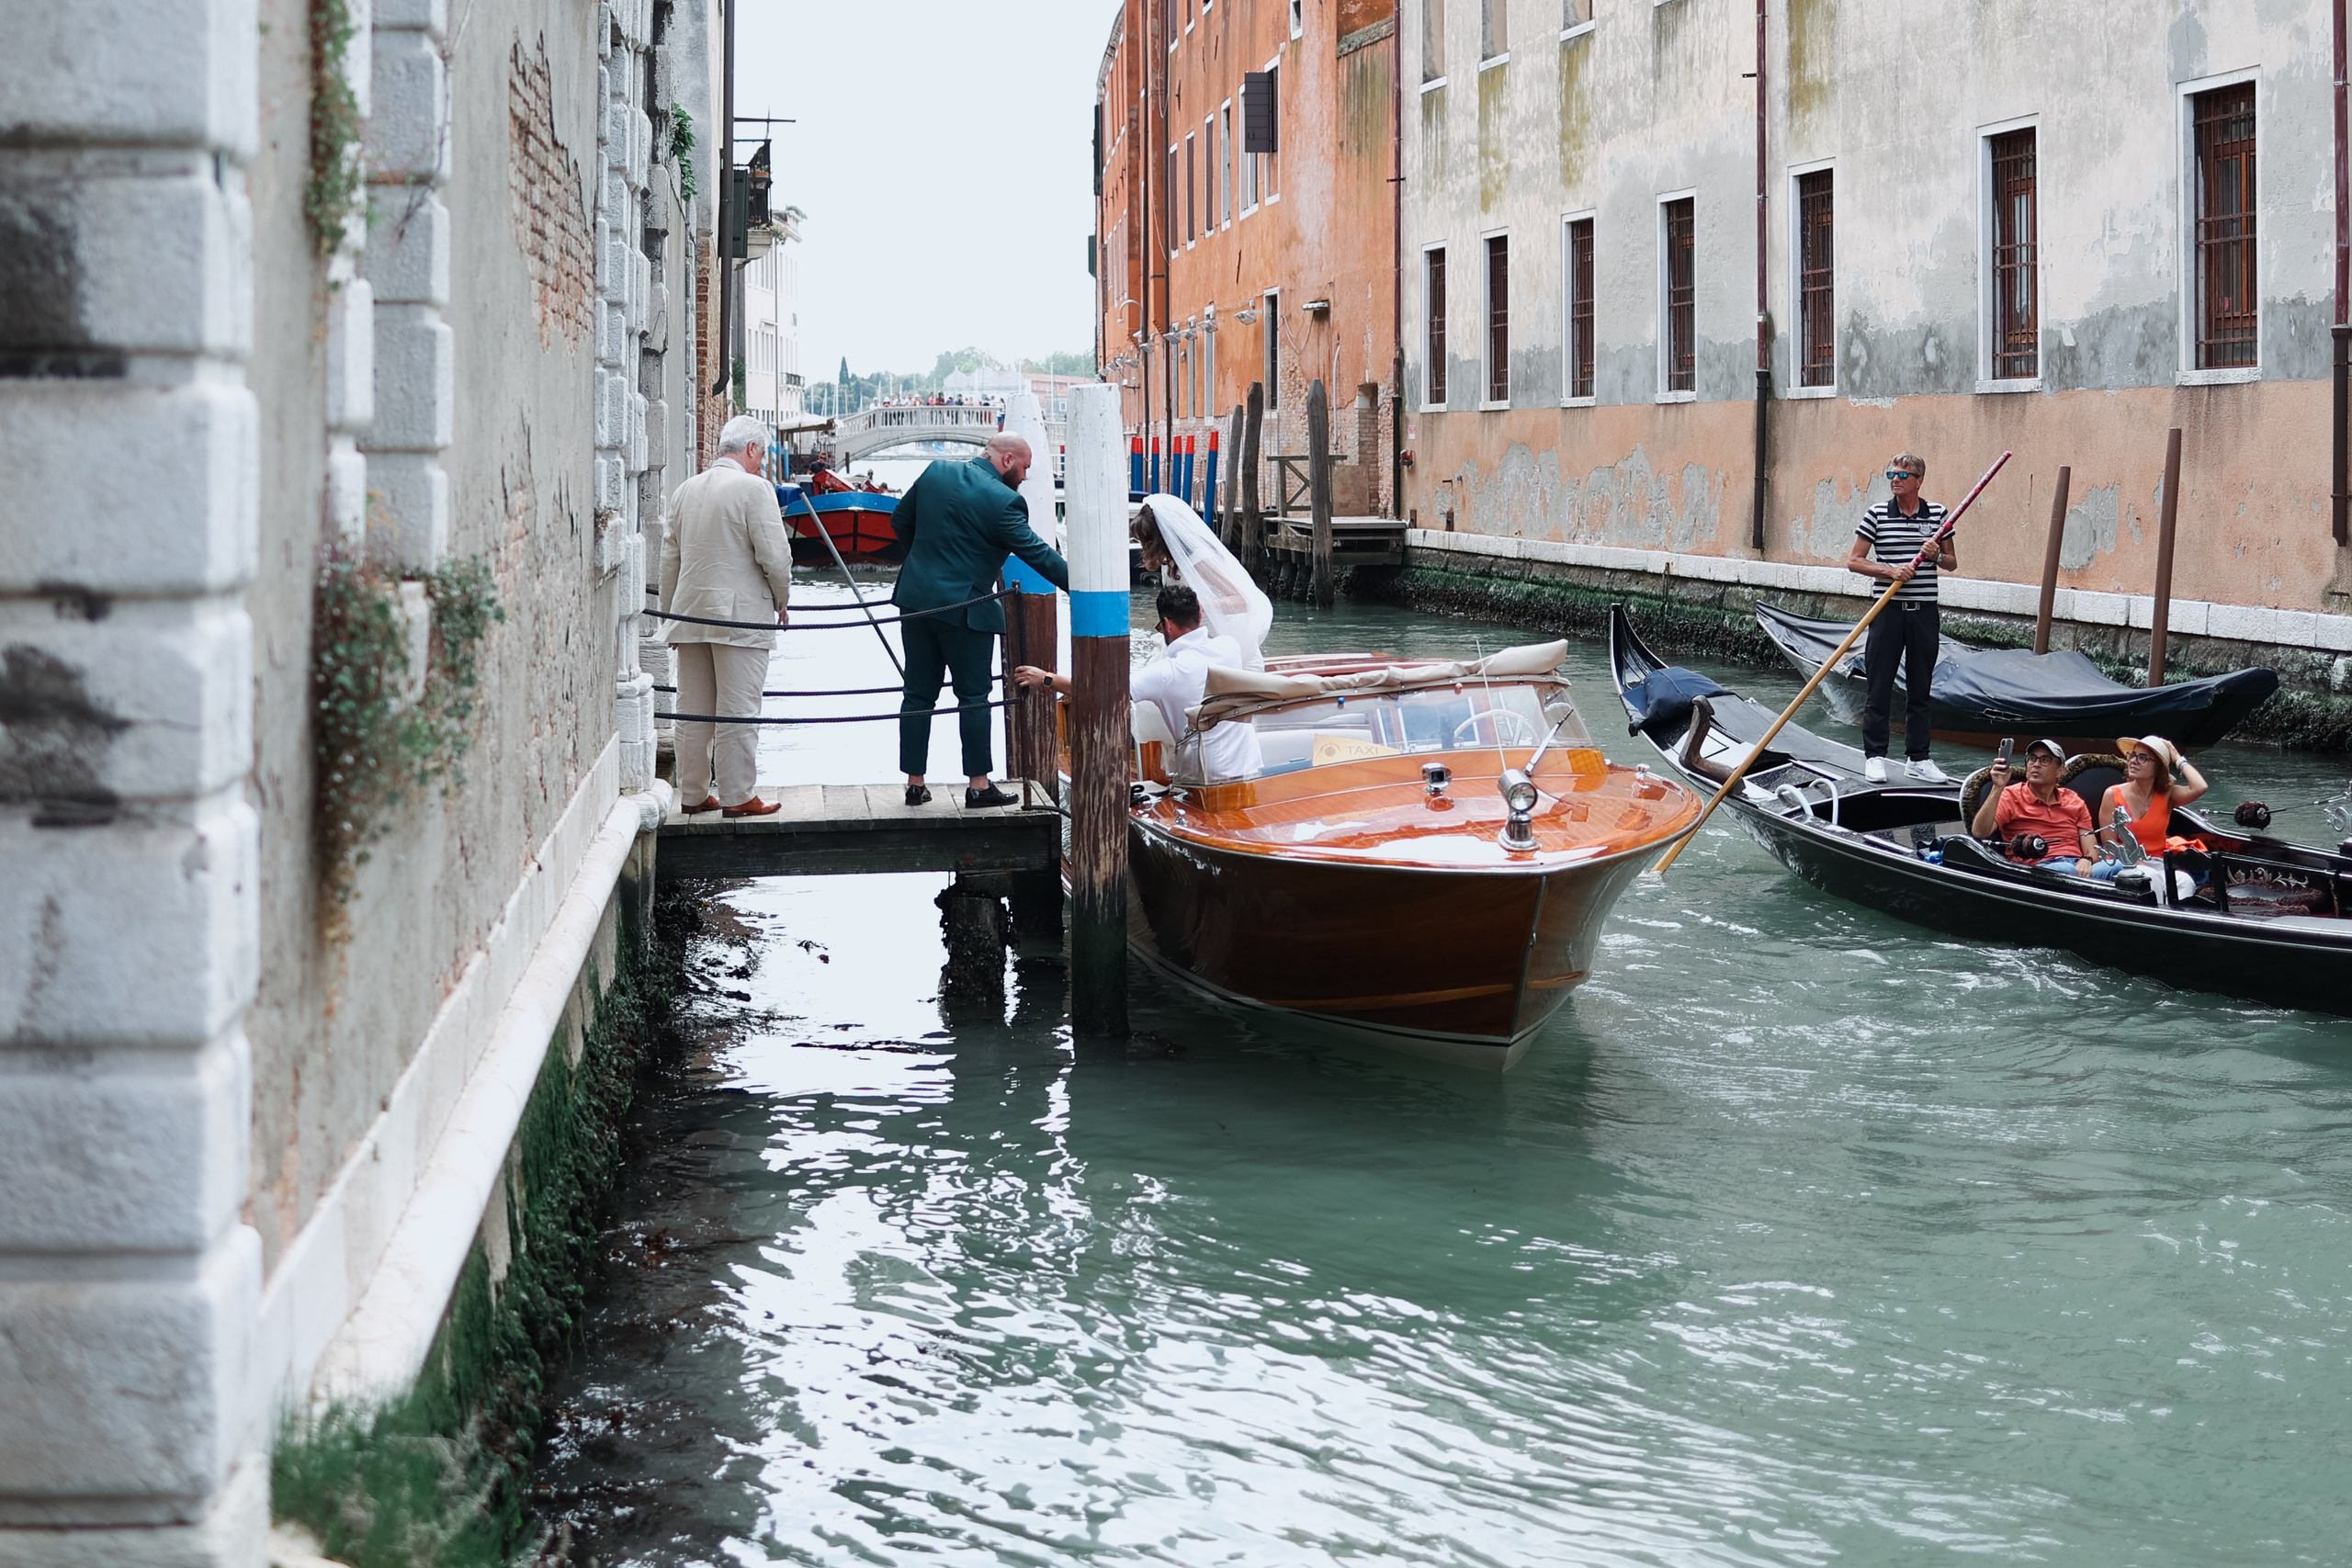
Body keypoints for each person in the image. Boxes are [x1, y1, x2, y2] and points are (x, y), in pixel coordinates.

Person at [891, 432, 1070, 807]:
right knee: (973, 697)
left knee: (917, 694)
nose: (1024, 476)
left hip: (916, 600)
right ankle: (978, 785)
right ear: (1007, 461)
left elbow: (899, 521)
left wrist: (923, 567)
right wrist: (1083, 588)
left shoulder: (935, 472)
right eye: (1024, 468)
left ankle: (914, 783)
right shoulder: (1005, 502)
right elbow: (1037, 553)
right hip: (966, 609)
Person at [659, 414, 794, 818]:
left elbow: (670, 560)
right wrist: (781, 600)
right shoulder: (755, 489)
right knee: (738, 709)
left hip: (690, 612)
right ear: (751, 449)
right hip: (740, 617)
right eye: (762, 453)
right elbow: (774, 555)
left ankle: (694, 793)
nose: (763, 462)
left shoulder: (685, 489)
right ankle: (738, 796)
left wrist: (669, 617)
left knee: (693, 709)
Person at [1012, 582, 1263, 784]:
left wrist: (1047, 679)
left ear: (1166, 624)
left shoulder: (1165, 672)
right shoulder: (1230, 647)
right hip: (1250, 766)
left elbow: (1101, 691)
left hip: (1206, 777)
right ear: (1199, 614)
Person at [1847, 452, 1954, 784]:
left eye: (1903, 475)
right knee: (1879, 686)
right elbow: (1854, 561)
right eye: (1892, 473)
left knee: (1920, 689)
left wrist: (1937, 555)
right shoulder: (1877, 514)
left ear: (1919, 480)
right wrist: (1890, 571)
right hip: (1887, 612)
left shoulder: (1938, 514)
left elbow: (1951, 563)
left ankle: (1918, 759)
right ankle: (1875, 756)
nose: (1896, 479)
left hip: (1924, 613)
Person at [1130, 494, 1272, 668]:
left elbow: (1242, 601)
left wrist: (1199, 607)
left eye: (1149, 540)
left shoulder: (1200, 560)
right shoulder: (1171, 560)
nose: (1146, 547)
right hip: (1186, 643)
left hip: (1219, 652)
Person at [1970, 738, 2096, 873]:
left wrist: (2087, 860)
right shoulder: (2011, 795)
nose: (2036, 764)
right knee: (2065, 869)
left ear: (2060, 771)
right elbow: (1980, 832)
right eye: (2032, 759)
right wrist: (1997, 787)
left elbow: (2092, 849)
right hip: (2036, 868)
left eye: (2045, 760)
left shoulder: (2073, 799)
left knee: (2116, 868)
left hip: (2076, 864)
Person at [2096, 734, 2209, 860]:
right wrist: (2136, 864)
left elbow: (2200, 787)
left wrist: (2177, 758)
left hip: (2158, 862)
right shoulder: (2112, 794)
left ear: (2158, 767)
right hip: (2123, 865)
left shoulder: (2168, 794)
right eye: (2133, 755)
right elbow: (2109, 845)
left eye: (2142, 757)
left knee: (2185, 880)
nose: (2133, 761)